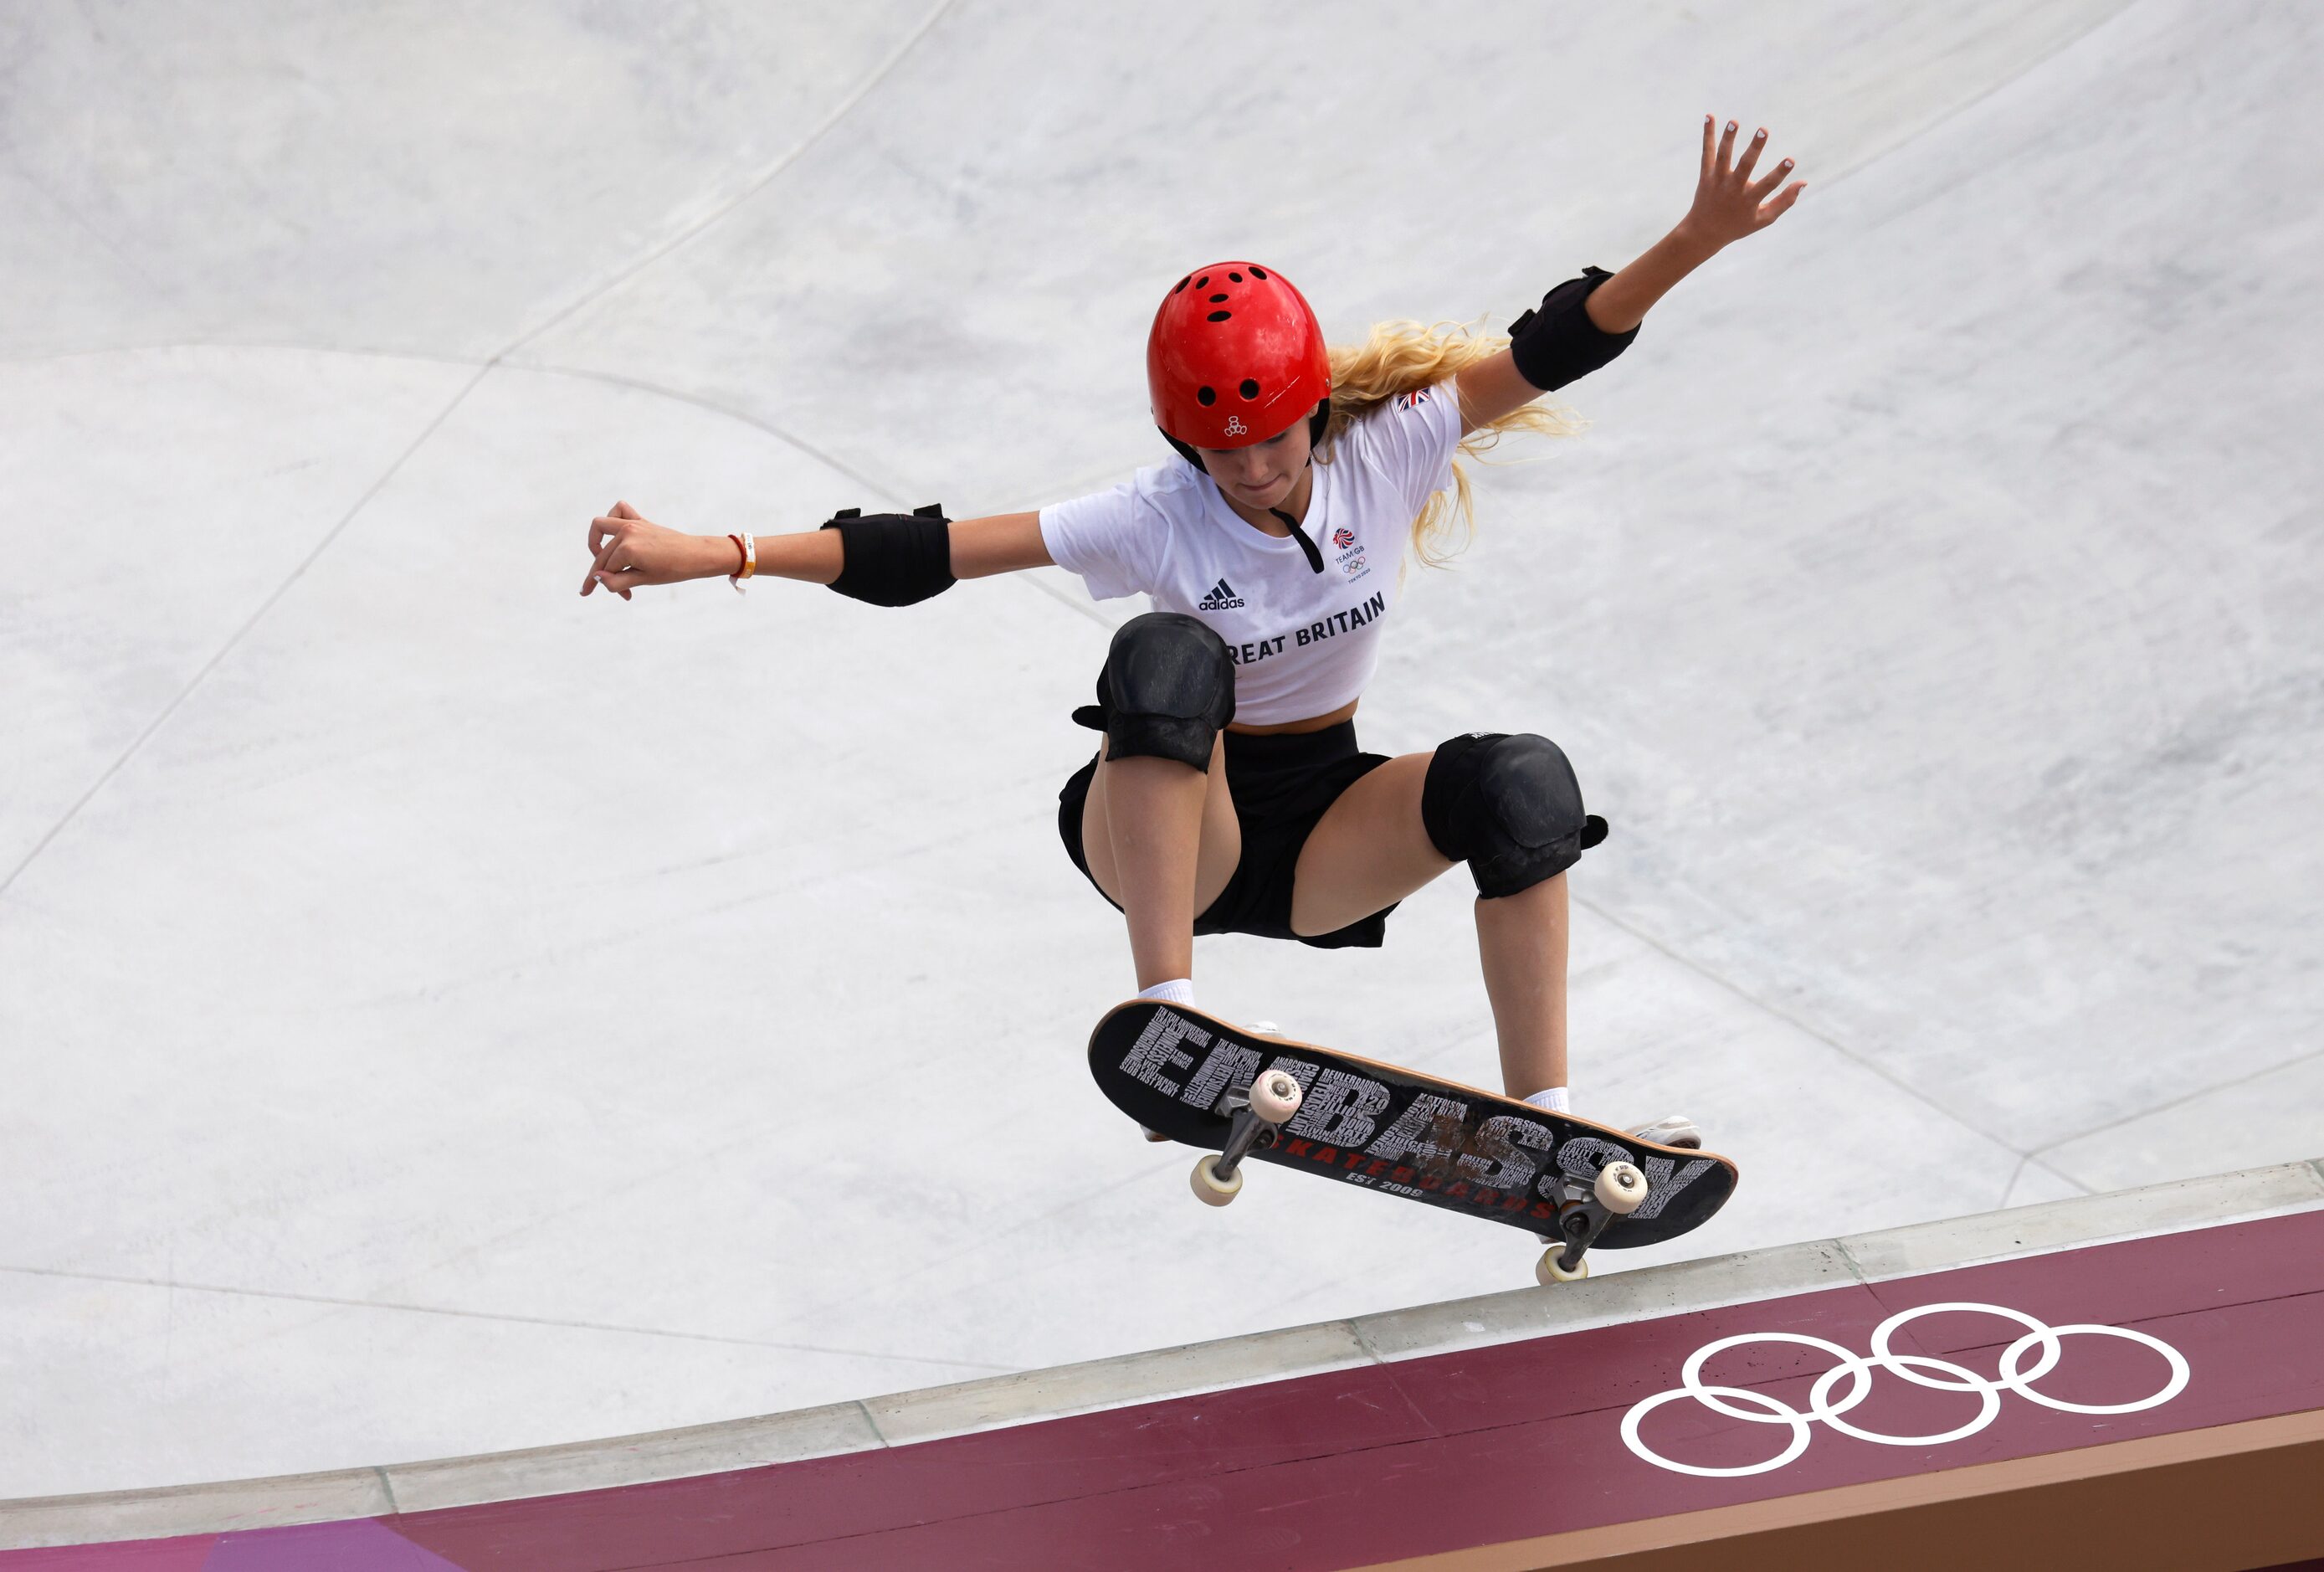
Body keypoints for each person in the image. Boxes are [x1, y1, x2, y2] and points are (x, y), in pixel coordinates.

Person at [583, 117, 1803, 1148]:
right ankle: (1168, 1012)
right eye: (1223, 457)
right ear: (1185, 447)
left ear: (1312, 410)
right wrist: (718, 553)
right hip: (1166, 823)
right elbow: (924, 550)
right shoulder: (1152, 519)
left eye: (1275, 441)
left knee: (1524, 781)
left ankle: (1549, 1126)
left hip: (1324, 833)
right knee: (1172, 656)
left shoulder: (1389, 448)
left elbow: (1554, 344)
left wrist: (1691, 241)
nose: (1255, 470)